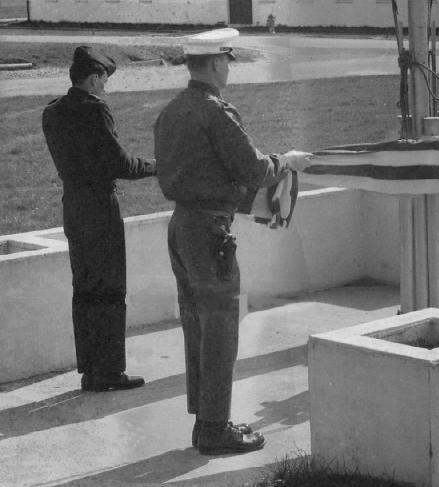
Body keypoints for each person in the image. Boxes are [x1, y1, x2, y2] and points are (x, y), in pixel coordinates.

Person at [153, 28, 312, 455]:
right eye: (227, 63)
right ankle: (215, 429)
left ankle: (205, 421)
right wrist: (287, 161)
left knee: (197, 326)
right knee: (221, 327)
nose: (228, 70)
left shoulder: (171, 111)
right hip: (209, 233)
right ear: (218, 63)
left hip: (182, 225)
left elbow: (197, 171)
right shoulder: (215, 111)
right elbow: (253, 169)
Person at [42, 46, 156, 392]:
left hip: (73, 206)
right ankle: (108, 372)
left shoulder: (53, 112)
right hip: (99, 207)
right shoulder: (95, 109)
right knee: (109, 288)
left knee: (85, 287)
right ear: (93, 78)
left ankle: (91, 369)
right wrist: (157, 167)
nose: (106, 86)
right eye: (104, 79)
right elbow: (119, 164)